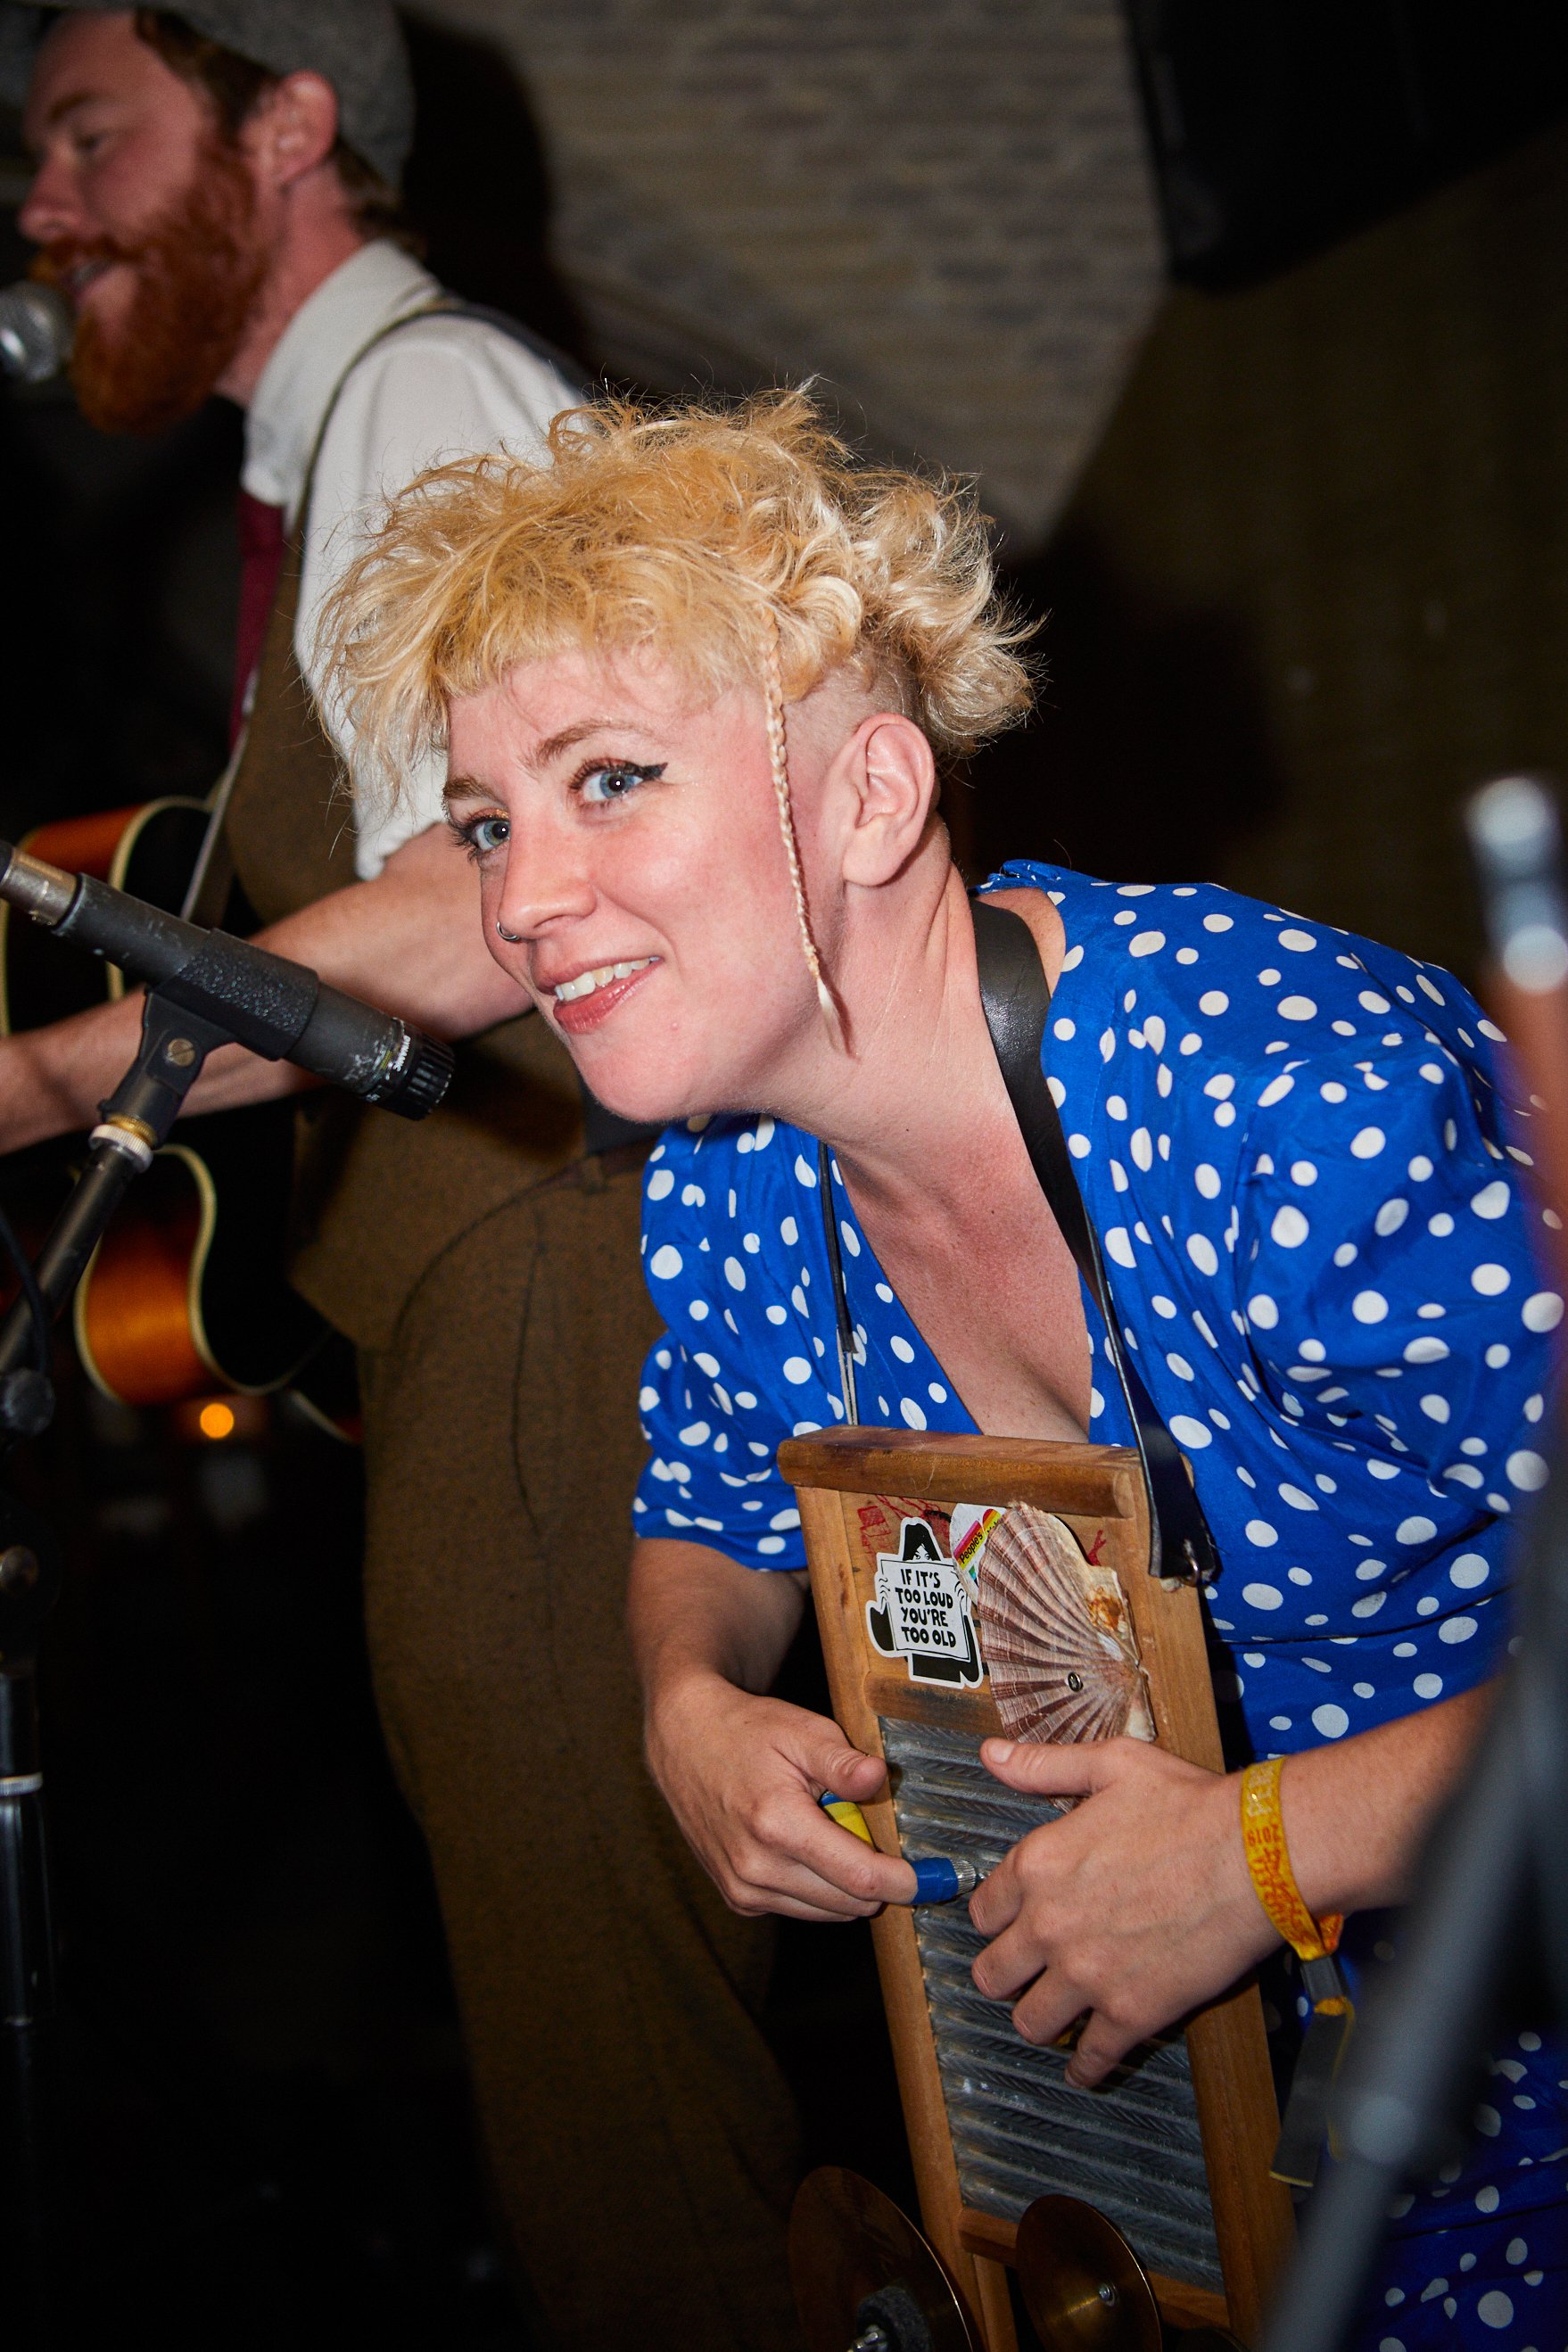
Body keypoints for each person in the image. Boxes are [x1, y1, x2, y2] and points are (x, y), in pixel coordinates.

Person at [321, 385, 1565, 2348]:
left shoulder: (1277, 1103)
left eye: (611, 779)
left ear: (878, 800)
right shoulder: (727, 1192)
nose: (519, 901)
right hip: (1273, 2186)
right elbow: (707, 1511)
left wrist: (1262, 1851)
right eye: (489, 821)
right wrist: (682, 1699)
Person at [0, 13, 802, 2348]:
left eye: (83, 136)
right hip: (488, 1299)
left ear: (284, 127)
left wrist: (52, 1084)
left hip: (551, 1278)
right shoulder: (347, 444)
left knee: (612, 2072)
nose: (41, 205)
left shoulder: (428, 396)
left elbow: (513, 883)